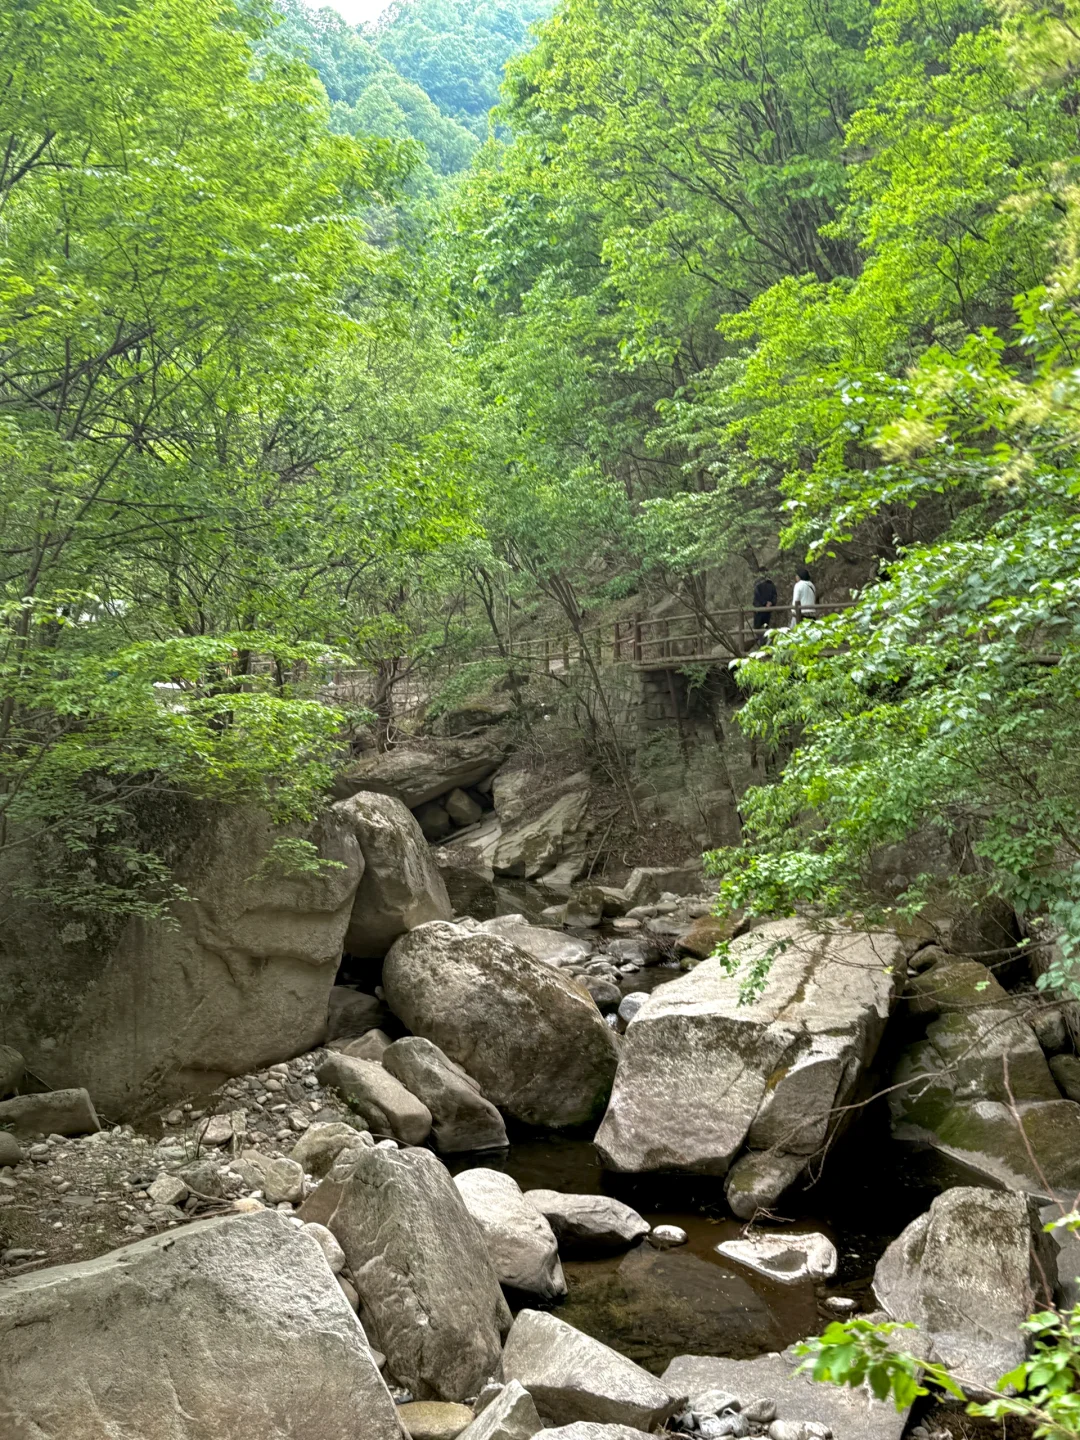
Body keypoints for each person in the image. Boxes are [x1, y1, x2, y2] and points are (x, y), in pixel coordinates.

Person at [751, 569, 777, 642]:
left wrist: (764, 603)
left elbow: (757, 596)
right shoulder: (771, 584)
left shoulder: (757, 584)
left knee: (758, 628)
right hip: (768, 610)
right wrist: (771, 603)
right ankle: (765, 641)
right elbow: (775, 596)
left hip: (759, 610)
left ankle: (762, 642)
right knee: (766, 627)